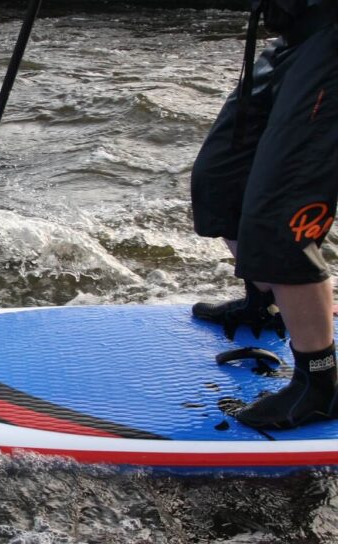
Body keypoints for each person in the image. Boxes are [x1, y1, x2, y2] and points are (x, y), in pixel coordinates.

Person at [191, 0, 338, 429]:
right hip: (294, 34)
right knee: (219, 180)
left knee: (282, 217)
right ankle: (266, 302)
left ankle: (319, 385)